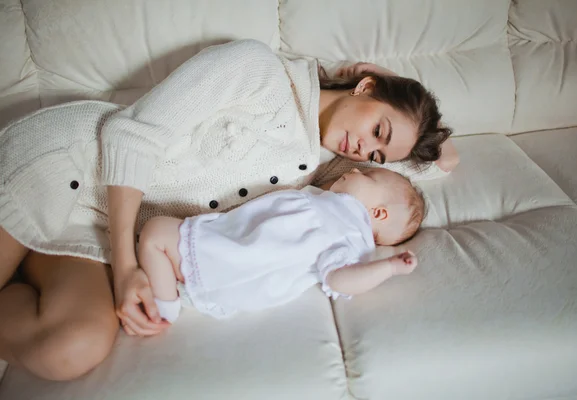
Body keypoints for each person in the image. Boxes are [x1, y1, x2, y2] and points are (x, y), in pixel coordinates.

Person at [0, 39, 457, 380]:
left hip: (97, 230)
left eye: (378, 156)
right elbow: (130, 135)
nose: (365, 149)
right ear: (365, 87)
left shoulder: (334, 174)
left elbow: (443, 161)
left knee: (70, 348)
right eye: (378, 129)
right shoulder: (256, 69)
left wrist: (410, 133)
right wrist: (125, 266)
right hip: (68, 169)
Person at [138, 168, 422, 323]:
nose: (356, 169)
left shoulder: (349, 235)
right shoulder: (330, 203)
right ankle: (167, 294)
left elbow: (341, 280)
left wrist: (388, 267)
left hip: (232, 257)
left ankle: (164, 310)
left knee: (153, 231)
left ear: (379, 213)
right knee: (156, 235)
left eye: (368, 175)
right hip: (230, 245)